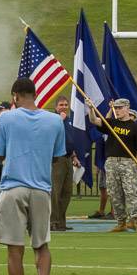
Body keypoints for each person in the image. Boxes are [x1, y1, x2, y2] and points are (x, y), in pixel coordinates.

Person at [0, 77, 64, 275]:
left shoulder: (7, 118)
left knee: (14, 250)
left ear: (14, 96)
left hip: (13, 187)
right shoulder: (55, 120)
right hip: (41, 188)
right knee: (41, 244)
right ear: (36, 93)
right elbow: (57, 156)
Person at [86, 98, 137, 234]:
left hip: (127, 163)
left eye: (120, 108)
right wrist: (91, 109)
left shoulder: (135, 127)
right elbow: (94, 121)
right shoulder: (112, 123)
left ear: (127, 108)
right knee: (115, 193)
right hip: (111, 162)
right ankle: (121, 222)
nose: (118, 110)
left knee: (132, 192)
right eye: (116, 108)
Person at [50, 96, 80, 231]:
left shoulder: (69, 121)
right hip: (57, 159)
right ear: (56, 107)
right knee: (55, 192)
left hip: (68, 158)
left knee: (66, 192)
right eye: (61, 105)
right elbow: (49, 135)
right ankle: (52, 222)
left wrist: (74, 156)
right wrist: (59, 120)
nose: (63, 107)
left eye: (66, 105)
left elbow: (69, 140)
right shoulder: (52, 120)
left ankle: (61, 222)